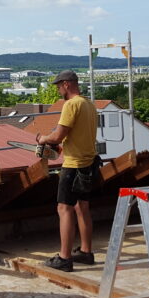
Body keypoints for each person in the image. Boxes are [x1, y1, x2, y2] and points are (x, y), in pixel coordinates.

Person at [36, 70, 99, 272]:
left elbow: (57, 135)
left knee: (64, 209)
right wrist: (64, 145)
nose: (58, 90)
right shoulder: (88, 104)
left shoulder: (71, 105)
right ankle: (86, 252)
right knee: (82, 207)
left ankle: (64, 258)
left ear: (66, 84)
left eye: (58, 86)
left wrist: (43, 139)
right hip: (88, 163)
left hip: (73, 166)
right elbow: (77, 135)